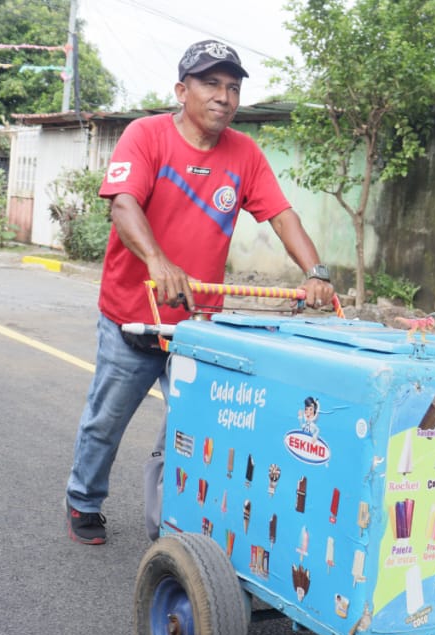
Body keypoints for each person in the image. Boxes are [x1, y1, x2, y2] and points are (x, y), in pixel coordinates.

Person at [65, 39, 336, 545]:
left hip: (197, 325)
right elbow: (123, 205)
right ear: (181, 90)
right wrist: (158, 260)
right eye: (211, 84)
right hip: (133, 315)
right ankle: (83, 498)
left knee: (195, 428)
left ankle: (175, 525)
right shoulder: (145, 136)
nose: (223, 96)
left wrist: (316, 271)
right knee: (106, 421)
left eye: (233, 88)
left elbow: (281, 215)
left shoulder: (245, 153)